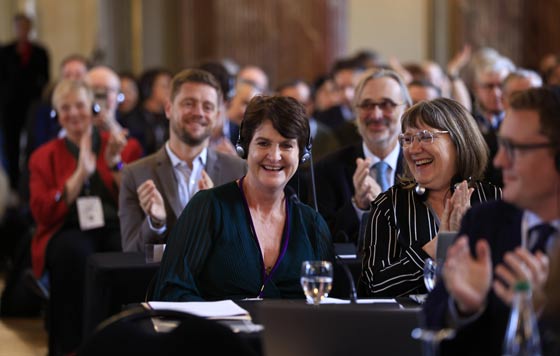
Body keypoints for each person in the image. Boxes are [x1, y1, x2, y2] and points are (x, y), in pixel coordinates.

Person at [152, 95, 332, 301]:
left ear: (302, 155)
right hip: (219, 332)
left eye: (286, 145)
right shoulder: (209, 208)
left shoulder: (313, 225)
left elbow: (331, 304)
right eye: (263, 143)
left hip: (293, 333)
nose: (274, 156)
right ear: (244, 148)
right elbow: (171, 290)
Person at [423, 87, 560, 356]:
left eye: (514, 149)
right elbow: (432, 326)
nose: (499, 161)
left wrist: (542, 317)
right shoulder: (485, 222)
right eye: (502, 145)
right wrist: (465, 308)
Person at [28, 80, 142, 355]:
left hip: (113, 225)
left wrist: (114, 162)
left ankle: (121, 344)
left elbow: (135, 202)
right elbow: (42, 212)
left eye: (79, 105)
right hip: (66, 227)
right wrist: (79, 175)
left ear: (92, 108)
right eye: (65, 108)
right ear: (56, 114)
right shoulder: (43, 157)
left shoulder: (121, 145)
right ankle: (71, 348)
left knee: (122, 251)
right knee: (73, 253)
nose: (74, 113)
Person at [359, 98, 501, 298]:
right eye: (408, 139)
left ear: (459, 140)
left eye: (425, 137)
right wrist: (437, 246)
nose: (414, 149)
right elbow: (373, 287)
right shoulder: (389, 205)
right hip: (408, 326)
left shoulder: (494, 200)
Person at [119, 69, 247, 253]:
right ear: (169, 108)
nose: (199, 113)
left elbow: (244, 248)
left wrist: (215, 215)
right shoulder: (135, 173)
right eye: (189, 103)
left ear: (217, 114)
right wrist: (156, 224)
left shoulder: (238, 170)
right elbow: (131, 254)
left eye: (208, 107)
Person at [314, 68, 411, 244]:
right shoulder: (327, 170)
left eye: (387, 104)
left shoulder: (421, 166)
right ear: (355, 112)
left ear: (406, 109)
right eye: (366, 105)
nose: (376, 115)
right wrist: (357, 206)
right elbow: (321, 242)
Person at [0, 13, 49, 190]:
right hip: (9, 106)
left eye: (25, 26)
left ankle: (29, 182)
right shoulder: (5, 52)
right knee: (10, 146)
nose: (22, 30)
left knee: (33, 142)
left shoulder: (40, 52)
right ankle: (14, 184)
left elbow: (45, 79)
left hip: (31, 105)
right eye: (19, 26)